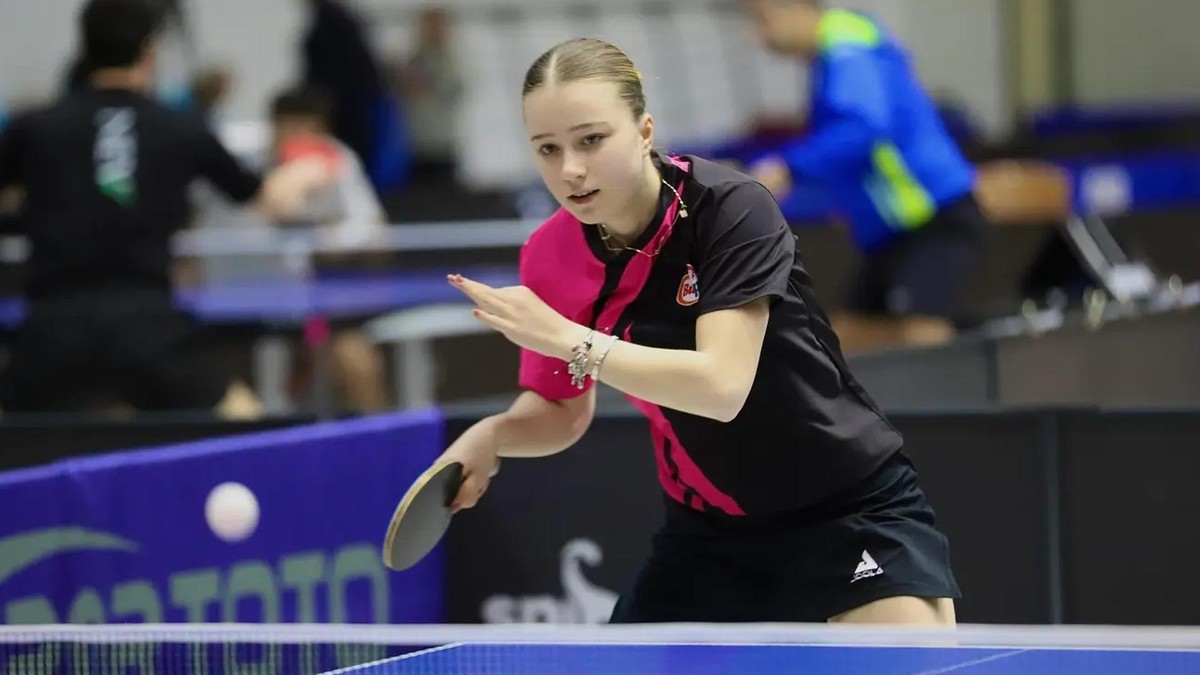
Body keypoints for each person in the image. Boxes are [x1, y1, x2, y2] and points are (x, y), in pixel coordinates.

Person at [440, 37, 960, 625]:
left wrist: (566, 338)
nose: (571, 169)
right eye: (547, 149)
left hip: (842, 509)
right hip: (709, 535)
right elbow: (561, 410)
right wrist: (493, 435)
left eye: (591, 139)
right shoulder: (550, 257)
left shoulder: (732, 210)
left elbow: (721, 386)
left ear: (643, 131)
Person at [0, 0, 331, 418]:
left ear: (83, 48)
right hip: (152, 332)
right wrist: (311, 168)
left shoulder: (34, 127)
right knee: (252, 427)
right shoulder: (181, 128)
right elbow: (269, 200)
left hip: (53, 332)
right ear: (149, 52)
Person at [746, 0, 989, 353]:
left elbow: (864, 127)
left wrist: (788, 167)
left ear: (794, 6)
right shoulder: (835, 54)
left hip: (931, 217)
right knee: (845, 335)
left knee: (922, 333)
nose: (757, 36)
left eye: (763, 20)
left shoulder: (847, 47)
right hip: (892, 230)